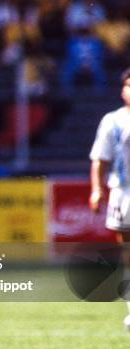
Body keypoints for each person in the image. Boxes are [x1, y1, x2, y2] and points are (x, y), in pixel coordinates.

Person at [89, 67, 130, 330]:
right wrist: (97, 188)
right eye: (129, 85)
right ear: (122, 91)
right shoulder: (112, 121)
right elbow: (100, 159)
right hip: (124, 193)